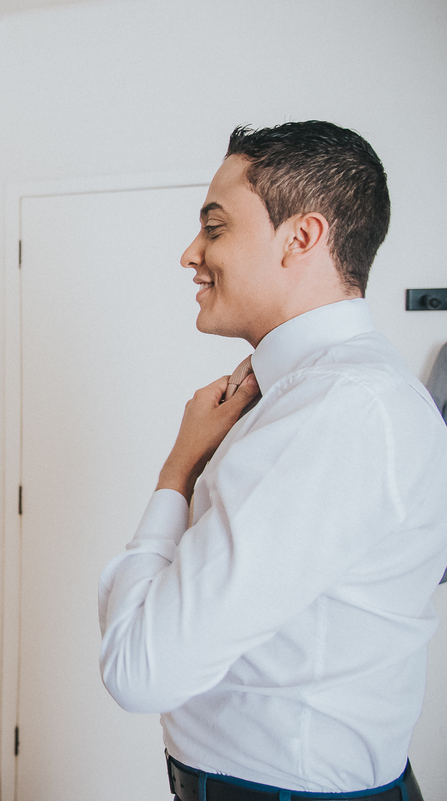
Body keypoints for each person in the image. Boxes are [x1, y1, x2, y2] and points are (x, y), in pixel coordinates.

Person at [97, 121, 447, 801]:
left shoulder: (339, 412)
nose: (190, 254)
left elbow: (139, 668)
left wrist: (178, 469)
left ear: (302, 237)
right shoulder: (316, 395)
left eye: (216, 227)